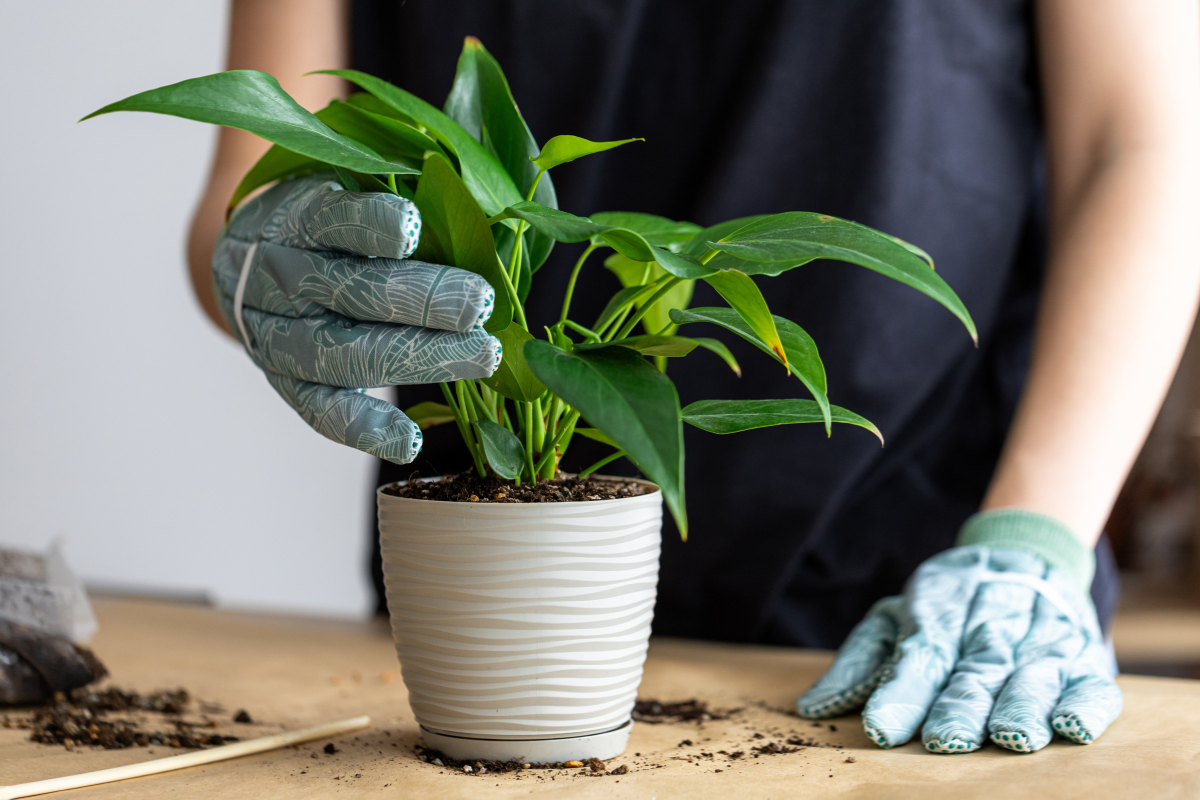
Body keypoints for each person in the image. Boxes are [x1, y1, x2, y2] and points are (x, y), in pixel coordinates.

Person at [189, 0, 1200, 753]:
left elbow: (1145, 139)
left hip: (919, 604)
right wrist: (259, 262)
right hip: (493, 595)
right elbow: (257, 166)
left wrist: (1032, 536)